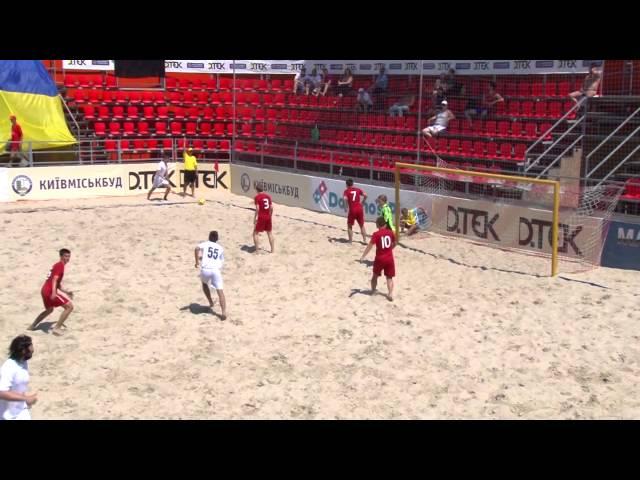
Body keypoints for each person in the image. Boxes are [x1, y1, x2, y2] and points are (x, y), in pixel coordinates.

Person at [29, 248, 74, 336]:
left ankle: (32, 325)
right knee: (69, 307)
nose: (68, 258)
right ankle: (56, 328)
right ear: (61, 256)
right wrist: (54, 292)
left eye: (69, 256)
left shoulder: (56, 265)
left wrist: (66, 292)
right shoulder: (60, 265)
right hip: (49, 291)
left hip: (44, 290)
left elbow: (57, 283)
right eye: (66, 256)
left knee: (49, 310)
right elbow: (54, 279)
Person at [359, 216, 396, 301]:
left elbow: (370, 246)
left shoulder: (376, 234)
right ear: (385, 225)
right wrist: (391, 248)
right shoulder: (390, 233)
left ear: (378, 225)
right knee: (389, 278)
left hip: (380, 258)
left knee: (375, 276)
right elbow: (395, 242)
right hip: (390, 258)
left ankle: (373, 290)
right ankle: (390, 293)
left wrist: (363, 256)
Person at [0, 335, 37, 420]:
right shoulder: (9, 368)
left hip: (21, 411)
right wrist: (26, 398)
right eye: (30, 350)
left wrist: (25, 400)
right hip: (7, 416)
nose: (32, 351)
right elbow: (1, 393)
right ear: (23, 350)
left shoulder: (23, 361)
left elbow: (19, 386)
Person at [195, 230, 227, 320]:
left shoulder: (205, 244)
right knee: (220, 292)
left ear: (209, 237)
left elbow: (197, 248)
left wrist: (197, 261)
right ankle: (223, 312)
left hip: (205, 270)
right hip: (215, 271)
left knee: (204, 284)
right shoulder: (220, 248)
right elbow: (221, 261)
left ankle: (211, 302)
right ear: (217, 239)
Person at [343, 178, 368, 243]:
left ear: (346, 185)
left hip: (352, 209)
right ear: (353, 184)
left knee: (349, 225)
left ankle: (350, 241)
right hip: (359, 208)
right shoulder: (358, 189)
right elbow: (366, 195)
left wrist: (345, 207)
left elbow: (345, 199)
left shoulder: (346, 191)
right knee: (361, 225)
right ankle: (365, 240)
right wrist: (362, 202)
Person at [253, 182, 275, 253]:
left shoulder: (257, 197)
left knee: (255, 233)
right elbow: (271, 207)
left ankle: (257, 251)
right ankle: (272, 250)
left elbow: (257, 209)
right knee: (269, 233)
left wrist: (255, 218)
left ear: (257, 190)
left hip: (261, 217)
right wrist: (270, 215)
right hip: (268, 216)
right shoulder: (268, 196)